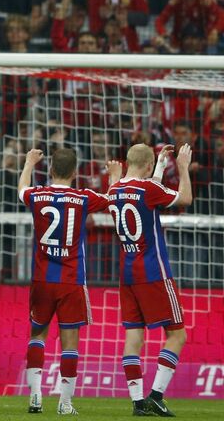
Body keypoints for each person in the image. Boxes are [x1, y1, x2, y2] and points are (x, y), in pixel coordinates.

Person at [17, 147, 113, 415]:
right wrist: (115, 176)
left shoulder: (37, 195)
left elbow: (21, 189)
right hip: (71, 280)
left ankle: (35, 397)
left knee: (37, 335)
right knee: (70, 341)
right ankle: (65, 403)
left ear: (50, 170)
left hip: (42, 279)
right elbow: (112, 199)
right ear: (75, 172)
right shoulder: (83, 198)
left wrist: (28, 163)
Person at [106, 142, 194, 417]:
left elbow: (143, 194)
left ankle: (137, 403)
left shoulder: (114, 189)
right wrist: (182, 168)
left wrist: (159, 167)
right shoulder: (148, 190)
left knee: (133, 336)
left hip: (127, 274)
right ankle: (155, 396)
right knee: (177, 335)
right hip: (154, 272)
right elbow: (185, 198)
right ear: (146, 166)